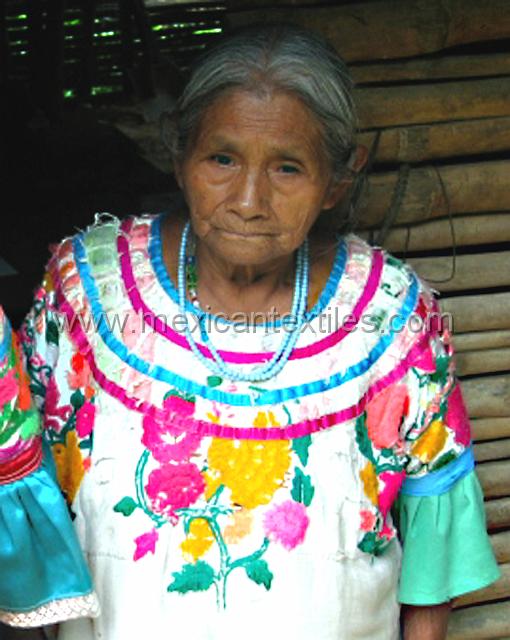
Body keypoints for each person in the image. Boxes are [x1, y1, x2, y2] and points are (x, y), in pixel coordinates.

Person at [0, 24, 500, 640]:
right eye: (222, 158)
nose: (248, 200)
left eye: (288, 168)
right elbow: (22, 502)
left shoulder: (392, 319)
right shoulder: (89, 292)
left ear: (338, 179)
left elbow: (431, 556)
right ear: (178, 155)